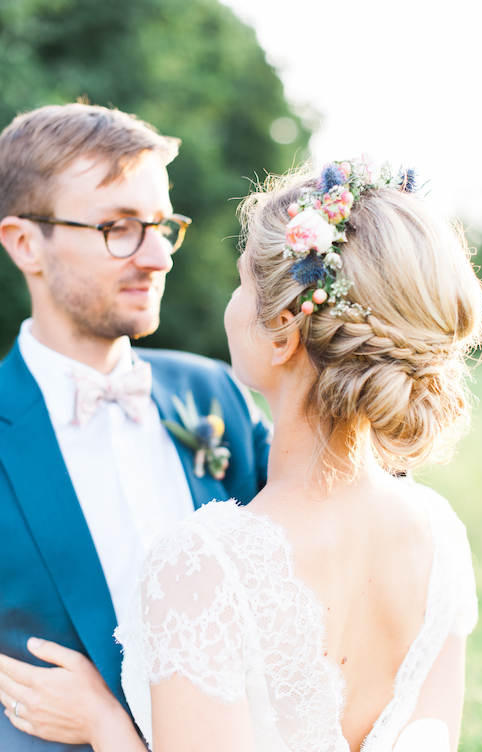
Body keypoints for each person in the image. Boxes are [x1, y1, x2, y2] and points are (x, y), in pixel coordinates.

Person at [113, 157, 482, 751]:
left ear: (286, 330)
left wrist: (102, 727)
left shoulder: (204, 568)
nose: (232, 305)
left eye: (243, 281)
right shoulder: (439, 537)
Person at [0, 103, 270, 751]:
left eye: (160, 225)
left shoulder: (215, 392)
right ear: (24, 242)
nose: (157, 258)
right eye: (118, 227)